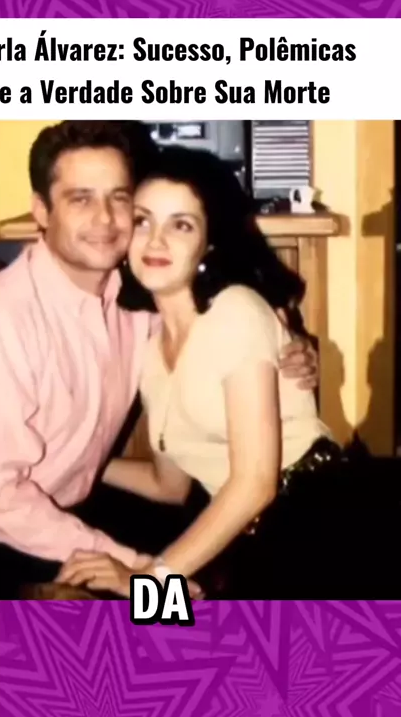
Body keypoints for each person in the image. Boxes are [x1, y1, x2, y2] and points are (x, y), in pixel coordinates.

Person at [0, 122, 318, 599]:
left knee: (191, 582)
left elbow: (224, 320)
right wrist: (137, 571)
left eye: (119, 198)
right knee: (141, 609)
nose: (106, 218)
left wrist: (290, 345)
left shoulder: (138, 311)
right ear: (42, 210)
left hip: (70, 505)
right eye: (81, 199)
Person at [56, 145, 399, 598]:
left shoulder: (235, 310)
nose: (156, 240)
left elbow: (255, 484)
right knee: (133, 613)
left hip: (319, 524)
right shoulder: (150, 353)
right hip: (245, 538)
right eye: (143, 221)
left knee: (151, 611)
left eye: (181, 225)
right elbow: (168, 485)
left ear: (208, 243)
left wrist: (147, 582)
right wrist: (75, 464)